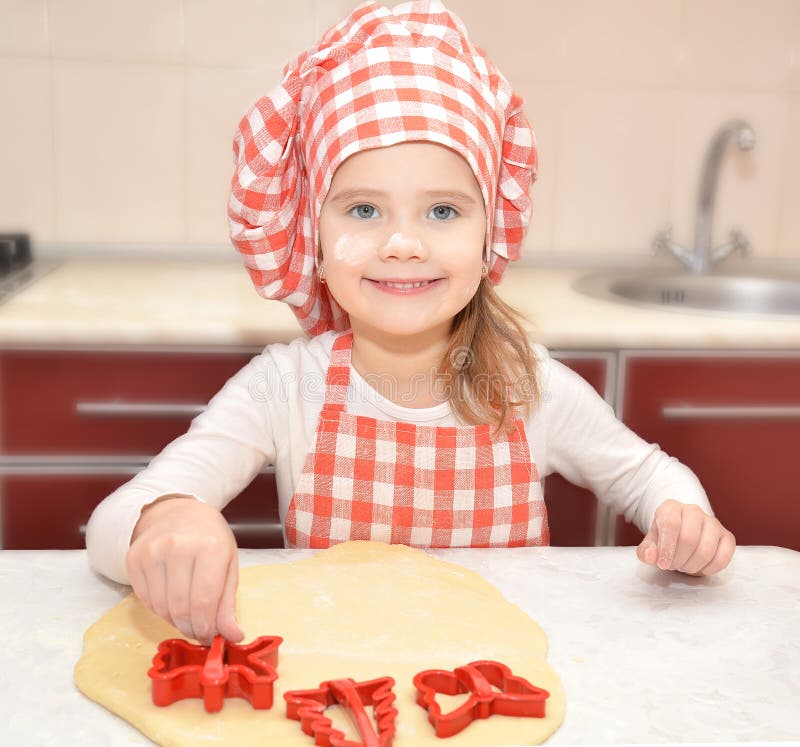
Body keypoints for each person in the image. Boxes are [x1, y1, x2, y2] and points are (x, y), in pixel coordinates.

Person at [86, 0, 735, 645]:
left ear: (492, 236)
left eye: (444, 212)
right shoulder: (283, 388)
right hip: (337, 687)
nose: (403, 243)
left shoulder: (531, 388)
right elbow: (112, 524)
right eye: (364, 210)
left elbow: (650, 477)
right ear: (312, 236)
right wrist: (167, 517)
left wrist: (683, 516)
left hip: (495, 689)